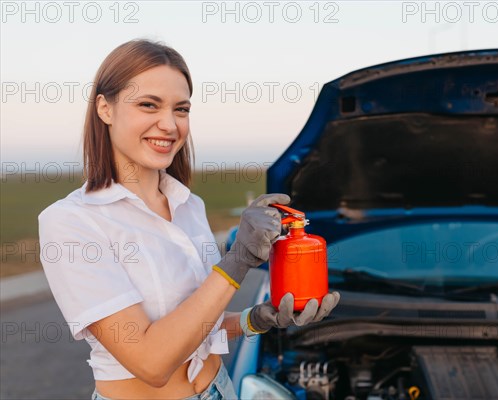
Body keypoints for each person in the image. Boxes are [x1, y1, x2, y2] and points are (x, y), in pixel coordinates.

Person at [37, 38, 340, 400]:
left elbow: (197, 329)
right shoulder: (71, 223)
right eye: (149, 105)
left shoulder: (189, 205)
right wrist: (238, 260)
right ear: (105, 108)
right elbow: (152, 361)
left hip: (219, 388)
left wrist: (256, 319)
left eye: (181, 109)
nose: (169, 124)